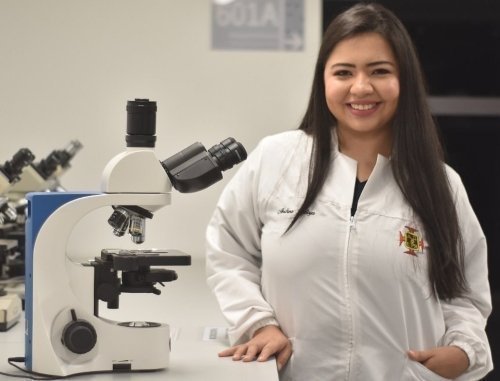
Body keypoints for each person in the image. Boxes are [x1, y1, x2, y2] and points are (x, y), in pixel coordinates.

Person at [205, 3, 493, 380]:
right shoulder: (276, 160)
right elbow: (228, 250)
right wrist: (259, 323)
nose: (361, 87)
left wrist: (464, 350)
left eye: (380, 71)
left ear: (403, 81)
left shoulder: (440, 183)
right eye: (343, 72)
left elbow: (465, 295)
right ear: (323, 80)